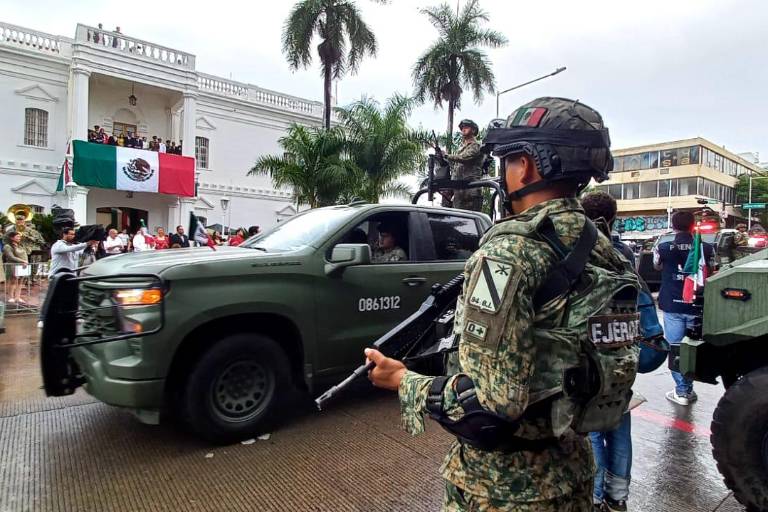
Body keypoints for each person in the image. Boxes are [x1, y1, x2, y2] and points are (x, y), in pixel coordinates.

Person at [366, 97, 629, 510]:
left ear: (525, 165)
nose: (503, 173)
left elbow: (491, 404)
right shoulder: (600, 245)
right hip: (573, 470)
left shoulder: (509, 253)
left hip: (504, 489)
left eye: (506, 160)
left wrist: (403, 382)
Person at [581, 191, 636, 512]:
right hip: (622, 356)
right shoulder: (625, 254)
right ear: (613, 218)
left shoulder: (580, 254)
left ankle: (596, 496)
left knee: (591, 431)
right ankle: (617, 497)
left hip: (589, 359)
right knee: (619, 427)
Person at [653, 211, 713, 406]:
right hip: (696, 305)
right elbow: (711, 271)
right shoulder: (705, 248)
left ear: (674, 225)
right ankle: (687, 389)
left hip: (672, 303)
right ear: (692, 225)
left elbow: (656, 266)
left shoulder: (663, 246)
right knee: (693, 349)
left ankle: (682, 390)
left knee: (676, 348)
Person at [446, 119, 485, 212]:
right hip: (460, 189)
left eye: (466, 127)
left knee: (471, 217)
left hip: (471, 188)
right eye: (462, 128)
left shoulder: (476, 145)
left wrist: (448, 156)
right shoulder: (462, 148)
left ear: (473, 130)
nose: (463, 129)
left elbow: (465, 158)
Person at [3, 232, 29, 306]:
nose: (19, 238)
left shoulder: (20, 246)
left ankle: (17, 297)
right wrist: (22, 261)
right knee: (13, 281)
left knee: (20, 282)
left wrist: (25, 262)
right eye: (17, 237)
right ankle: (11, 297)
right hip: (13, 266)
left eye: (19, 237)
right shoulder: (7, 246)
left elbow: (27, 252)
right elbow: (11, 257)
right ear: (12, 238)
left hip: (22, 266)